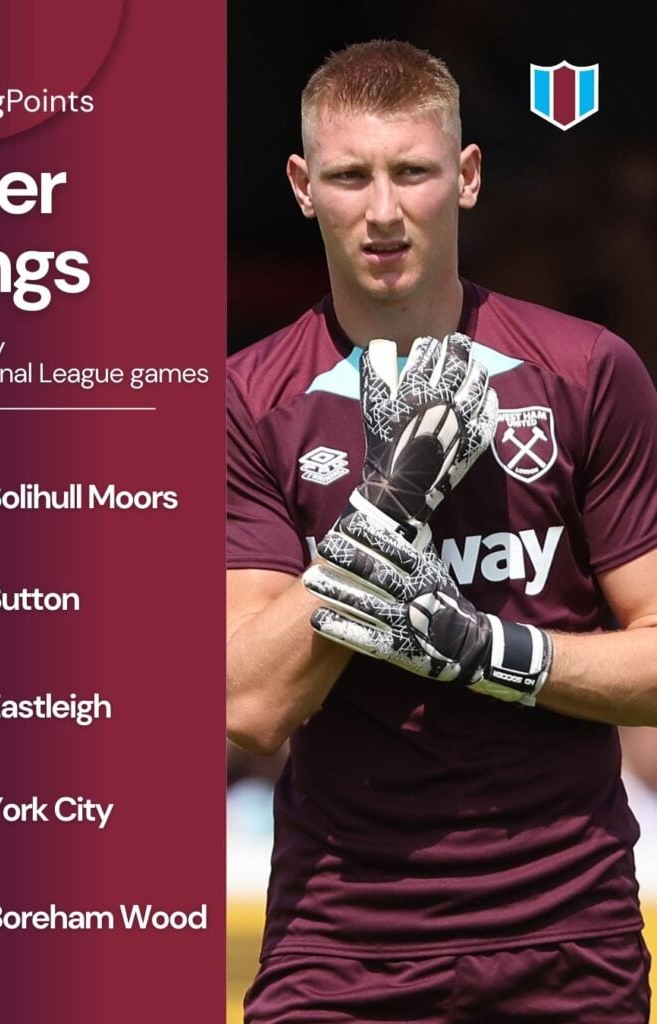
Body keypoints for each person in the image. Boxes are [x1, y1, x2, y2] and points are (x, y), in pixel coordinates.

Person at [226, 39, 657, 1023]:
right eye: (349, 176)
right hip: (339, 945)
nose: (382, 210)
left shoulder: (587, 371)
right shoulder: (248, 401)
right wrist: (388, 507)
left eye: (412, 172)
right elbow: (249, 703)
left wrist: (484, 651)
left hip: (568, 934)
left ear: (465, 176)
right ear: (301, 187)